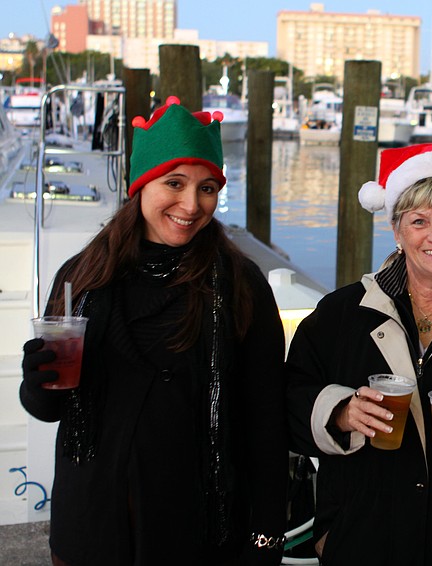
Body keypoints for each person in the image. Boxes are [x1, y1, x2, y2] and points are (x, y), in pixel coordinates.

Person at [20, 97, 289, 565]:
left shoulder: (240, 287)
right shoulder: (82, 278)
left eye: (207, 188)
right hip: (91, 527)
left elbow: (266, 422)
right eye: (174, 183)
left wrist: (265, 537)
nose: (191, 204)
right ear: (140, 185)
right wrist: (37, 379)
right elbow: (48, 410)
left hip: (195, 532)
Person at [285, 143, 432, 565]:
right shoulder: (342, 314)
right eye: (419, 221)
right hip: (358, 539)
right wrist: (340, 413)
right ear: (397, 232)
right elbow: (286, 402)